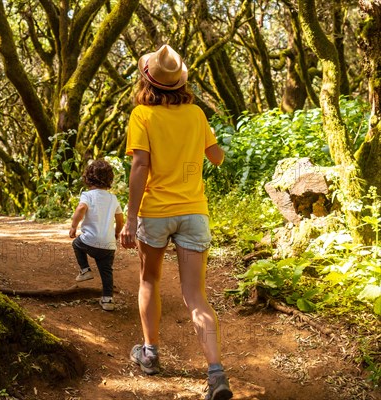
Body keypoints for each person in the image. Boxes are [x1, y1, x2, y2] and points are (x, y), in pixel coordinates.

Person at [120, 44, 231, 400]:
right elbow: (217, 158)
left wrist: (131, 216)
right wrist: (200, 143)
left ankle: (150, 354)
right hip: (194, 212)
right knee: (196, 296)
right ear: (180, 81)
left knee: (149, 279)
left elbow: (140, 166)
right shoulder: (197, 114)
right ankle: (216, 373)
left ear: (147, 79)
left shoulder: (142, 116)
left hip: (156, 213)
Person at [69, 159, 125, 311]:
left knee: (76, 244)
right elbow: (120, 219)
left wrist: (74, 227)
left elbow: (81, 208)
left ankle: (85, 270)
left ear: (88, 177)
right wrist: (116, 233)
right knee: (106, 271)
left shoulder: (88, 195)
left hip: (88, 241)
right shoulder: (113, 198)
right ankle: (108, 300)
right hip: (108, 245)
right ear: (109, 179)